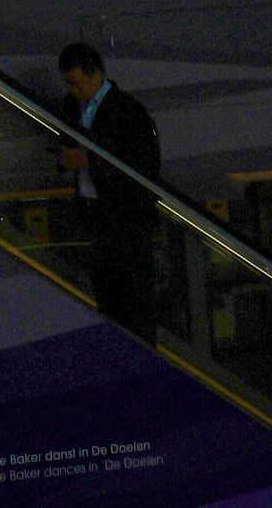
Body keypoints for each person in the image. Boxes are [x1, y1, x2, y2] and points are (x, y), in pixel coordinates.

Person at [57, 43, 162, 345]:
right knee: (108, 300)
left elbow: (143, 167)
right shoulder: (70, 107)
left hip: (126, 221)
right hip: (95, 216)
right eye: (70, 84)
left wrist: (89, 162)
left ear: (96, 75)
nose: (74, 90)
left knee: (134, 303)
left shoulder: (128, 111)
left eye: (78, 83)